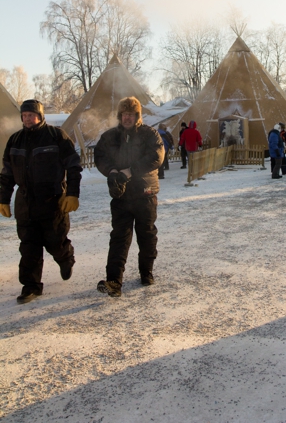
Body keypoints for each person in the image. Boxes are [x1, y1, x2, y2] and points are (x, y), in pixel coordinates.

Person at [0, 99, 82, 304]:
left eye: (31, 115)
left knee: (55, 241)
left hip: (52, 200)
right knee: (29, 246)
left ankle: (65, 257)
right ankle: (31, 286)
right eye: (24, 116)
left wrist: (72, 193)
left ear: (40, 116)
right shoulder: (15, 140)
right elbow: (7, 173)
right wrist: (3, 198)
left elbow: (73, 165)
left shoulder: (56, 136)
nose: (27, 119)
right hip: (25, 202)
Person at [94, 96, 165, 298]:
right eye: (124, 114)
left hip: (145, 193)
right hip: (121, 195)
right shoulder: (110, 136)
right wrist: (112, 171)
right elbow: (99, 156)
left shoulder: (149, 134)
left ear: (137, 116)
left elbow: (157, 156)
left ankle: (146, 272)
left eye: (131, 114)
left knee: (147, 235)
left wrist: (131, 170)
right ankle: (114, 281)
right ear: (120, 115)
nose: (127, 118)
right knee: (119, 237)